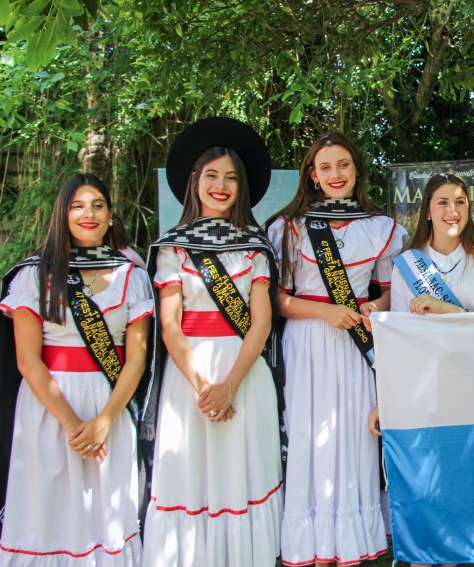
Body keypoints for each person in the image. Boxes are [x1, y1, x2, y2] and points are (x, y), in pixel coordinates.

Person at [0, 173, 152, 564]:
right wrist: (75, 424)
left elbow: (137, 357)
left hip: (109, 404)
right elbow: (28, 361)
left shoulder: (132, 277)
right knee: (47, 512)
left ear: (111, 214)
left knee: (105, 511)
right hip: (48, 408)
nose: (88, 214)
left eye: (97, 205)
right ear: (63, 214)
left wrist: (104, 421)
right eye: (77, 205)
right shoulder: (34, 275)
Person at [141, 118, 283, 566]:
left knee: (243, 473)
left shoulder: (255, 246)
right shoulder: (173, 248)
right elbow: (170, 326)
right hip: (189, 381)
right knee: (190, 475)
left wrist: (229, 386)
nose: (221, 186)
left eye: (231, 178)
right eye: (212, 175)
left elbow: (260, 324)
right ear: (194, 182)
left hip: (245, 376)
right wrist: (206, 388)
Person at [267, 132, 407, 567]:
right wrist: (325, 313)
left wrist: (372, 306)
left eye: (343, 165)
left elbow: (388, 294)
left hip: (357, 346)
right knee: (311, 438)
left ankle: (351, 540)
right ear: (312, 174)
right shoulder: (288, 227)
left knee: (352, 438)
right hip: (308, 342)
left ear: (356, 171)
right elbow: (279, 300)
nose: (335, 174)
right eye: (325, 167)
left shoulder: (382, 228)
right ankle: (311, 546)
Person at [367, 171, 474, 567]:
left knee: (470, 492)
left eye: (460, 202)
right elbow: (398, 341)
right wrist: (388, 400)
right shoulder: (407, 265)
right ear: (427, 210)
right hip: (423, 395)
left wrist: (450, 311)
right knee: (426, 492)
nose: (452, 210)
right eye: (442, 202)